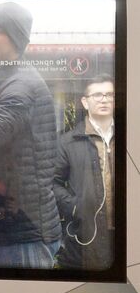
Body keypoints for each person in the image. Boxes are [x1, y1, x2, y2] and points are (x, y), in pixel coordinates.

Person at [0, 2, 61, 268]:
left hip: (20, 240)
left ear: (17, 39)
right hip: (12, 233)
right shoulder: (10, 80)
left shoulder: (20, 87)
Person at [53, 75, 115, 270]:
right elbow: (50, 182)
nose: (104, 99)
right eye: (97, 95)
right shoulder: (68, 142)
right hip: (85, 234)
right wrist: (74, 207)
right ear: (85, 102)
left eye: (109, 94)